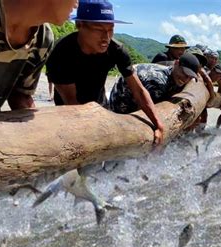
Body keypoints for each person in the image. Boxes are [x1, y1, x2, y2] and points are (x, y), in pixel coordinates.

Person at [46, 0, 165, 144]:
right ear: (79, 25)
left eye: (110, 30)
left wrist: (158, 124)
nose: (106, 37)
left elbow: (138, 90)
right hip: (69, 112)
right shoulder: (61, 53)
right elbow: (71, 101)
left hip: (101, 106)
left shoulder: (116, 50)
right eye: (99, 29)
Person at [109, 53, 200, 114]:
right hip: (119, 109)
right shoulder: (158, 81)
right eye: (184, 73)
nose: (185, 79)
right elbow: (145, 112)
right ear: (176, 63)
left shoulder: (171, 72)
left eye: (190, 77)